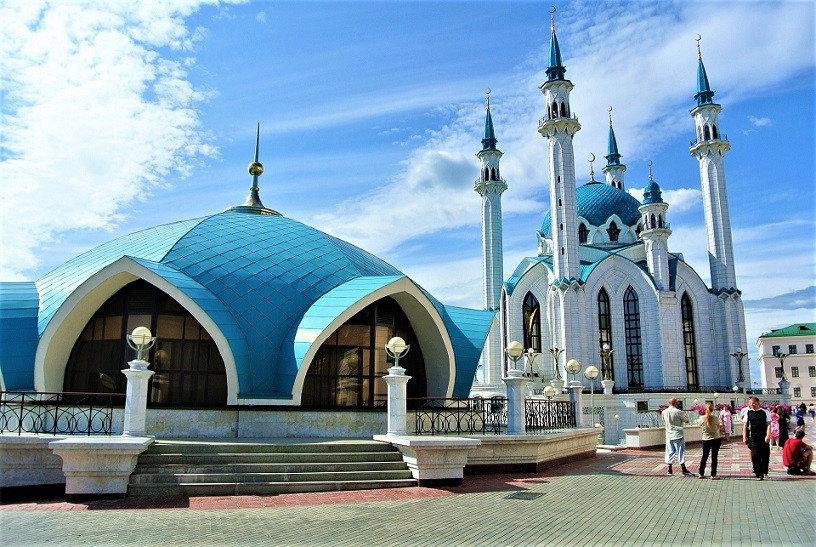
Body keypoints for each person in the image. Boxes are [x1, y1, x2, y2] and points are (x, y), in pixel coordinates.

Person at [662, 397, 694, 476]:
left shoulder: (664, 412)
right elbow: (686, 421)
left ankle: (669, 469)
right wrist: (684, 415)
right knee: (680, 451)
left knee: (669, 451)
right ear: (675, 403)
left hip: (669, 434)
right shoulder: (678, 412)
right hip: (678, 434)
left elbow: (663, 421)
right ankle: (683, 469)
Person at [742, 396, 772, 480]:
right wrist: (744, 437)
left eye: (753, 403)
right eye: (750, 403)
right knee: (755, 455)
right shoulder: (748, 412)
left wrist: (768, 435)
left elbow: (769, 424)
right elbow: (745, 425)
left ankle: (764, 471)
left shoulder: (764, 412)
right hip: (753, 437)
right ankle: (758, 474)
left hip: (763, 436)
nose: (752, 405)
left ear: (758, 403)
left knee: (765, 454)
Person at [697, 402, 723, 479]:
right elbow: (719, 426)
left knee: (704, 456)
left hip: (706, 439)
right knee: (714, 456)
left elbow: (699, 424)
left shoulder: (701, 418)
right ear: (712, 410)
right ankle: (713, 474)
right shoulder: (715, 418)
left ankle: (701, 473)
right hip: (715, 438)